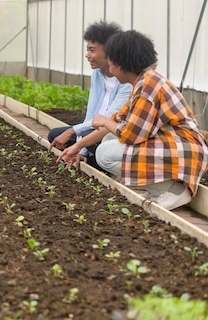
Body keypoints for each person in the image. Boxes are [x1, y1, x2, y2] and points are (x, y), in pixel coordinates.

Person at [58, 30, 208, 210]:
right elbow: (116, 122)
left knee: (105, 153)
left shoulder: (148, 85)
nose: (109, 67)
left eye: (111, 61)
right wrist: (76, 147)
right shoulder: (141, 82)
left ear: (122, 63)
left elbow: (131, 135)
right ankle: (158, 189)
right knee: (108, 139)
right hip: (175, 146)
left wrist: (105, 122)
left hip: (185, 150)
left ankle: (173, 190)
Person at [48, 21, 132, 169]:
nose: (87, 55)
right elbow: (91, 114)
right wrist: (82, 149)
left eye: (92, 50)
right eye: (87, 50)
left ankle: (98, 161)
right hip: (96, 128)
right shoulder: (97, 75)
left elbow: (110, 118)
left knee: (96, 144)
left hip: (113, 132)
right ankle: (89, 156)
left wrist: (74, 133)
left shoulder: (126, 81)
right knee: (55, 135)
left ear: (109, 51)